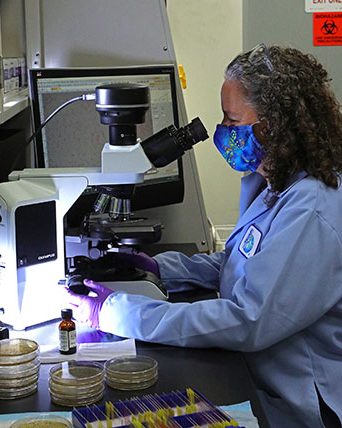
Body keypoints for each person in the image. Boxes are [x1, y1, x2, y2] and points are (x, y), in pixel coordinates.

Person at [65, 44, 342, 428]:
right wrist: (160, 269)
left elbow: (249, 318)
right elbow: (241, 262)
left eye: (232, 120)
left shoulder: (312, 208)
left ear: (274, 124)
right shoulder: (279, 182)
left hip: (299, 407)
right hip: (261, 377)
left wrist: (119, 313)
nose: (222, 132)